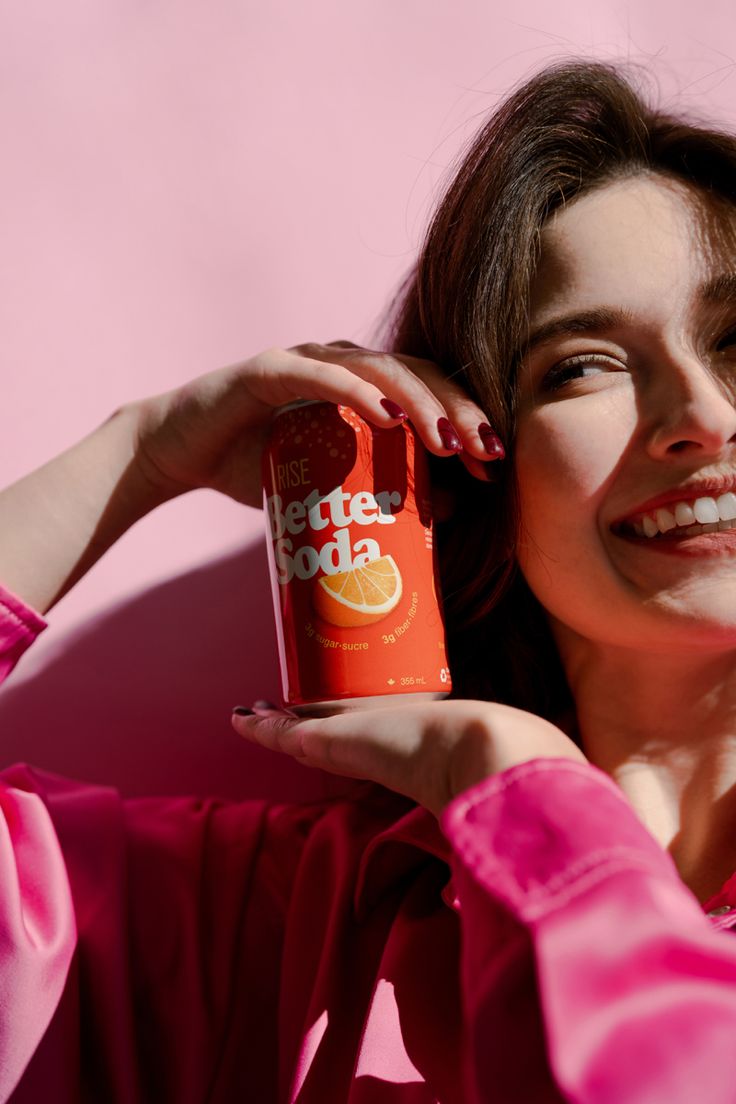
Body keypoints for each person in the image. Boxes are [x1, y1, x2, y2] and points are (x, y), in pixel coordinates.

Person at [3, 55, 736, 1103]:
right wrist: (142, 452)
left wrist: (525, 796)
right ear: (469, 474)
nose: (703, 417)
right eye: (580, 365)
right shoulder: (295, 914)